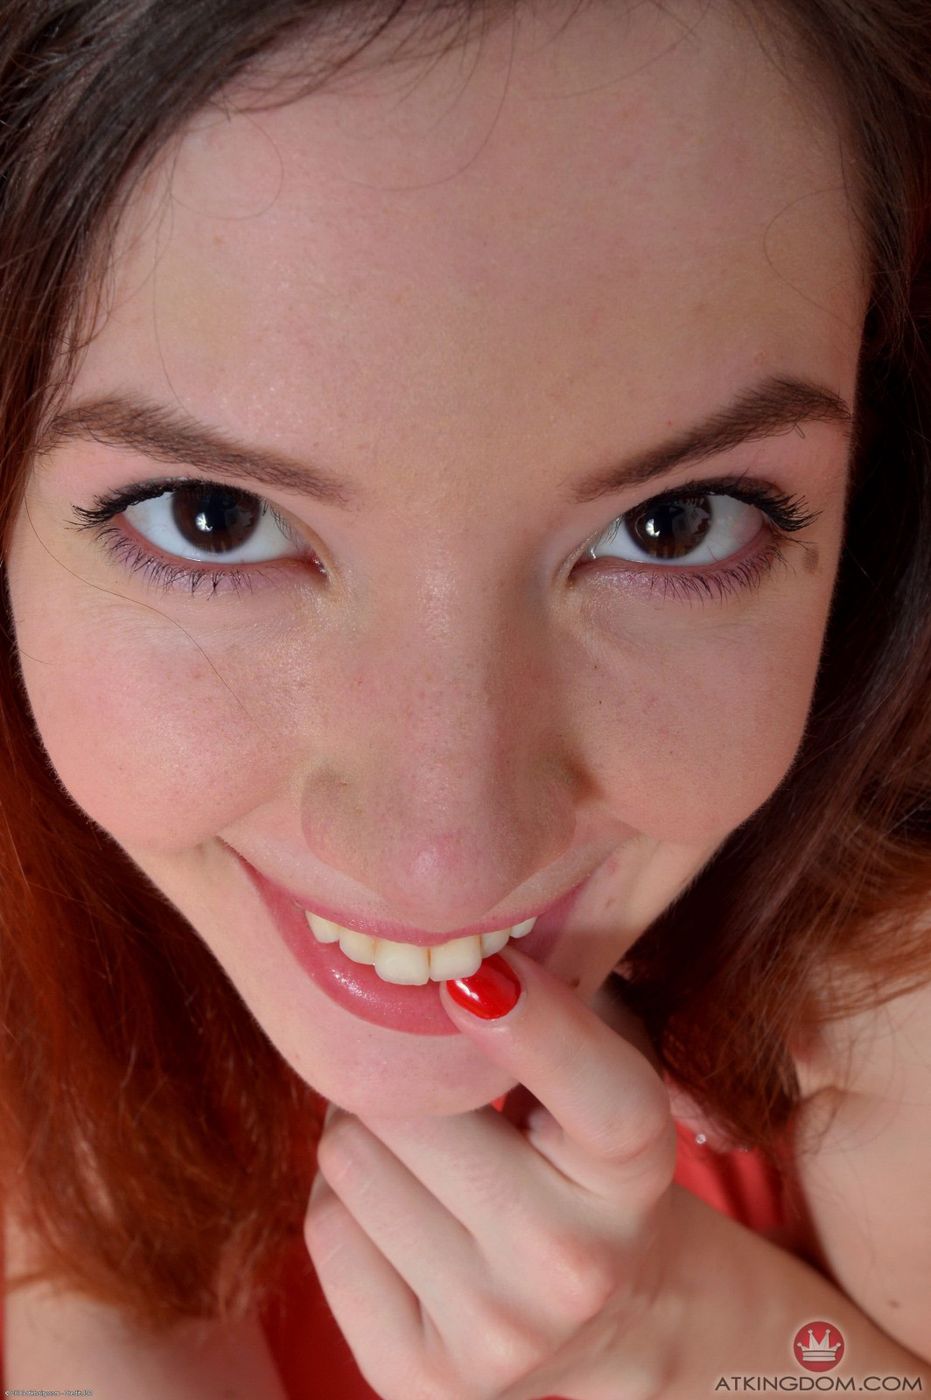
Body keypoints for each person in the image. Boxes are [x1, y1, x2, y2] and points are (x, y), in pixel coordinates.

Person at [1, 0, 928, 1395]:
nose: (445, 859)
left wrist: (683, 1333)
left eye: (674, 525)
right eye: (212, 518)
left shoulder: (893, 995)